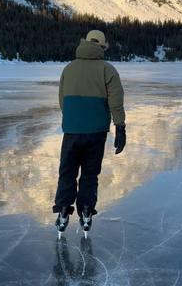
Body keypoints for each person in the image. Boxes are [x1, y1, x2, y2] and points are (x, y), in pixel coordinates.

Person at [53, 30, 126, 236]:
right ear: (102, 47)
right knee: (89, 173)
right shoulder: (107, 69)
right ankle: (86, 209)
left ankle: (63, 210)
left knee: (67, 172)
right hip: (96, 132)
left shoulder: (69, 69)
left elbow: (62, 100)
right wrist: (120, 127)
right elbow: (116, 101)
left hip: (72, 131)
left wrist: (73, 118)